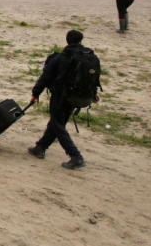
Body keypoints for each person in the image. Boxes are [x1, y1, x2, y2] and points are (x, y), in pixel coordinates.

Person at [27, 30, 100, 170]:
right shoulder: (90, 57)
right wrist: (93, 94)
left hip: (61, 96)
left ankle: (75, 156)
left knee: (57, 123)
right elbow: (94, 78)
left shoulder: (61, 57)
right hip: (80, 96)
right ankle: (40, 147)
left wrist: (36, 93)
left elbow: (45, 77)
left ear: (67, 41)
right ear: (80, 41)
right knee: (58, 122)